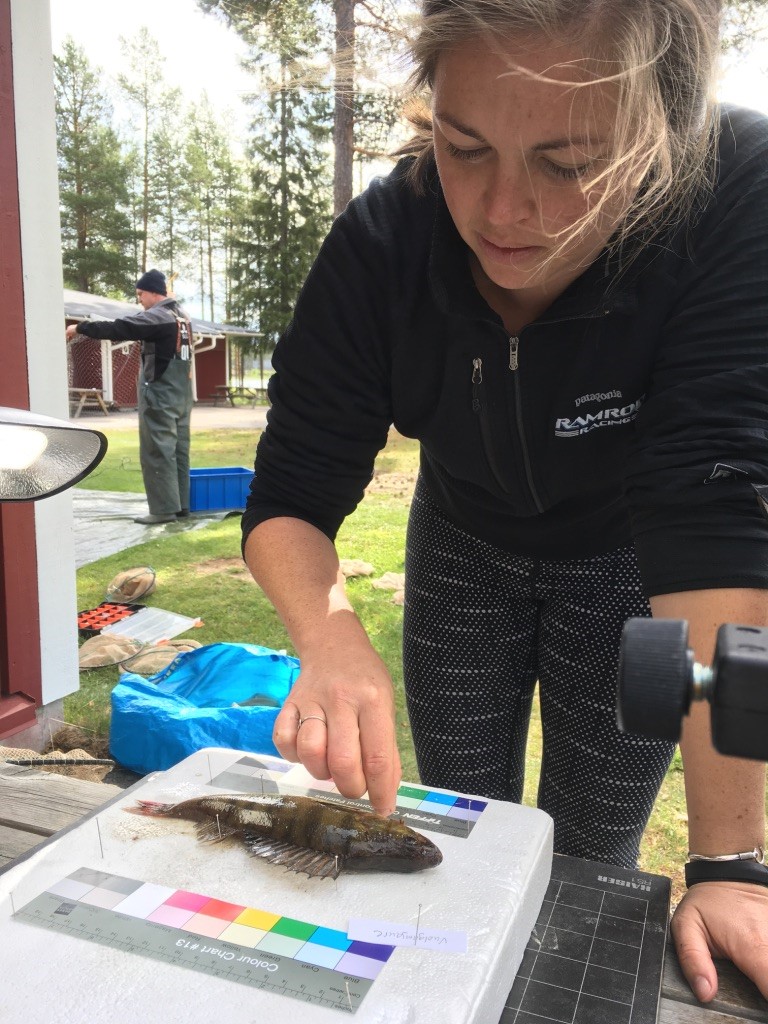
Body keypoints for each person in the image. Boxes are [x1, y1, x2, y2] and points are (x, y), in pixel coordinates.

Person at [241, 0, 768, 1003]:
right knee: (453, 830)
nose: (501, 212)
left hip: (631, 561)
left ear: (662, 134)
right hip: (463, 543)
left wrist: (730, 863)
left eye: (568, 163)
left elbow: (714, 515)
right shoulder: (386, 239)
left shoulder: (734, 185)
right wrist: (331, 633)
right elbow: (290, 493)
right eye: (463, 147)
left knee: (596, 851)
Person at [66, 269, 194, 524]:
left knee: (157, 449)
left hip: (159, 393)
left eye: (141, 294)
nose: (140, 301)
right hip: (181, 394)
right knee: (179, 449)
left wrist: (81, 327)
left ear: (153, 293)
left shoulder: (158, 316)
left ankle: (162, 510)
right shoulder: (182, 316)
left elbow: (122, 327)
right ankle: (181, 507)